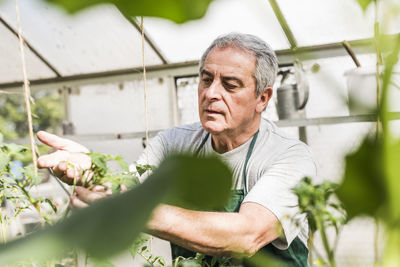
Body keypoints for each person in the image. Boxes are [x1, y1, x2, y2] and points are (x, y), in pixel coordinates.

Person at [37, 33, 316, 266]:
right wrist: (93, 172)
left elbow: (246, 235)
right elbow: (123, 190)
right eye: (206, 80)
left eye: (229, 85)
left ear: (263, 98)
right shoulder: (175, 145)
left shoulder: (289, 156)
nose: (211, 93)